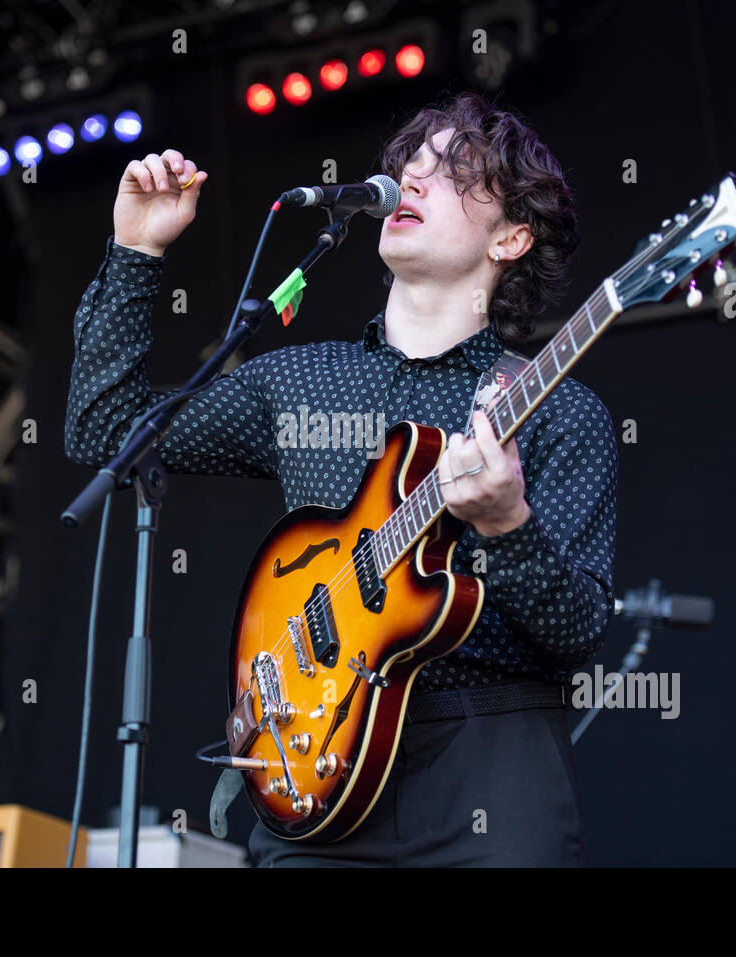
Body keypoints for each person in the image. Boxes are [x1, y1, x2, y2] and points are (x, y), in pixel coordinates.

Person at [64, 91, 617, 866]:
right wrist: (135, 252)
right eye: (409, 162)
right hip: (316, 777)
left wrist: (506, 525)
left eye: (455, 170)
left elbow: (581, 633)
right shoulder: (296, 382)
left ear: (512, 237)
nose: (415, 178)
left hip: (489, 780)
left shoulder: (558, 409)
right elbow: (103, 427)